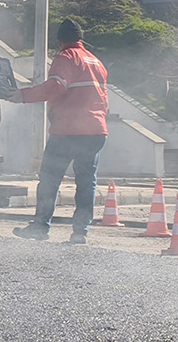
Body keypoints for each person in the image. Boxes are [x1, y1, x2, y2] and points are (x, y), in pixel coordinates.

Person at [15, 18, 109, 243]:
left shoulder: (66, 57)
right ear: (80, 38)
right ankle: (80, 232)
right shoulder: (96, 62)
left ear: (59, 41)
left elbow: (55, 86)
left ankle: (40, 227)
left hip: (69, 131)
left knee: (50, 179)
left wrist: (23, 96)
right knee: (87, 183)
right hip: (96, 131)